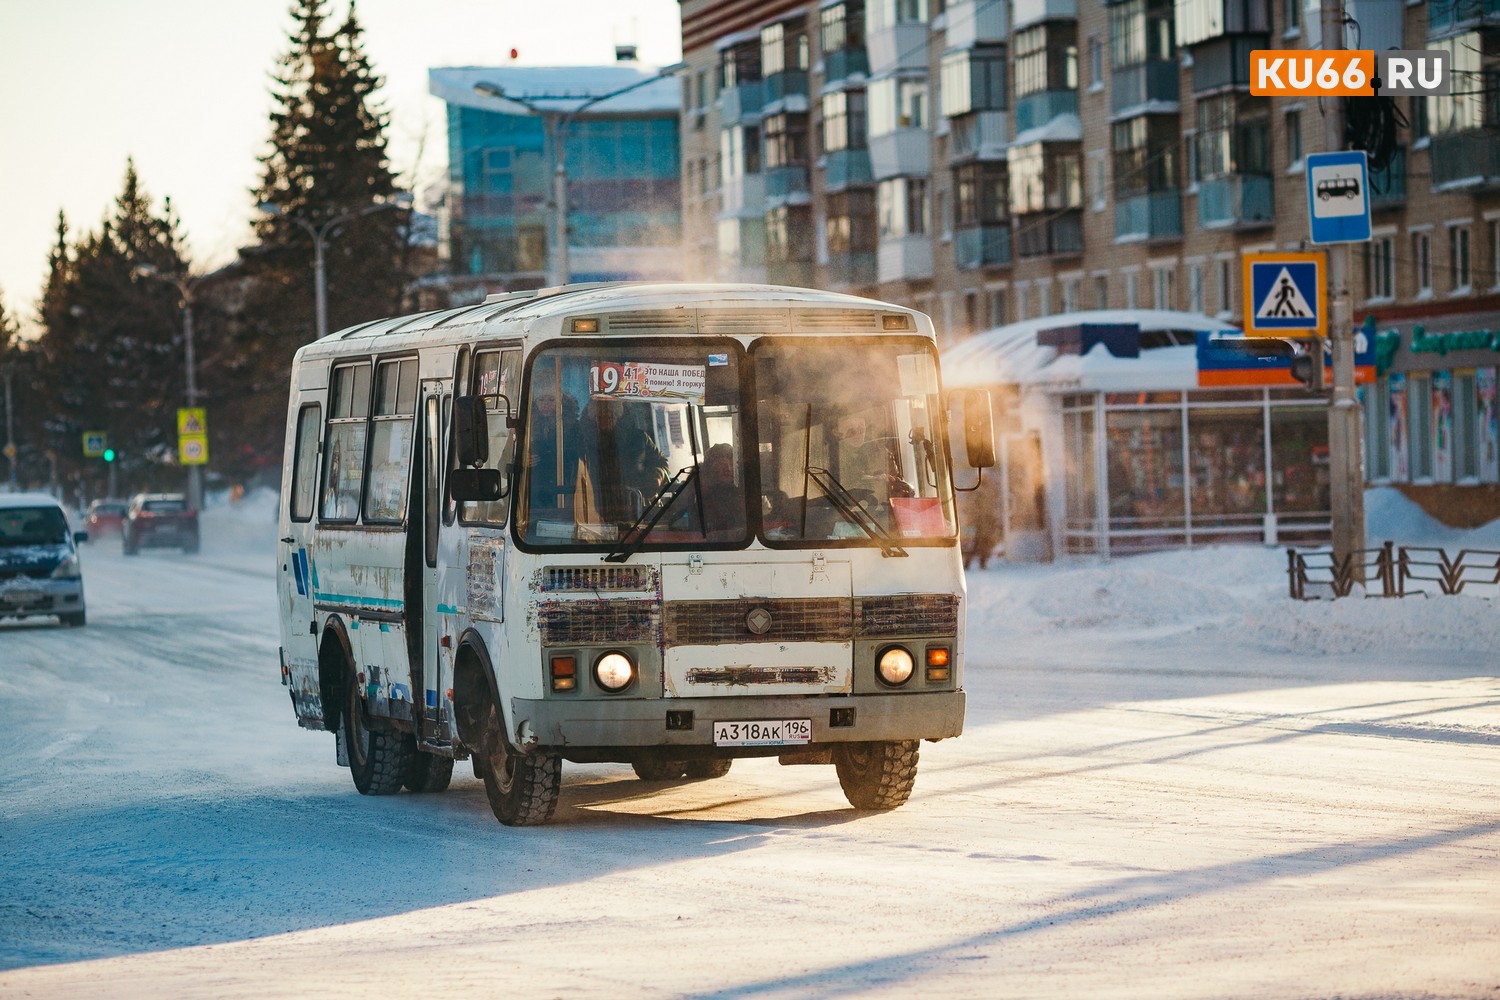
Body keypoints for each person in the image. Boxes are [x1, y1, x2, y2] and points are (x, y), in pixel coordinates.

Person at [582, 398, 670, 520]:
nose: (606, 419)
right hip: (595, 510)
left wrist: (656, 477)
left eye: (610, 415)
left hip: (636, 508)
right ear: (594, 418)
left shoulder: (638, 438)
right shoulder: (583, 442)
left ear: (618, 416)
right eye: (601, 416)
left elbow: (662, 464)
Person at [525, 389, 580, 517]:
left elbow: (580, 462)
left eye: (551, 399)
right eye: (541, 400)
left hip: (564, 492)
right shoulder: (525, 427)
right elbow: (503, 466)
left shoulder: (574, 428)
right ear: (534, 402)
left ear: (561, 401)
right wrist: (522, 460)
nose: (546, 404)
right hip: (533, 497)